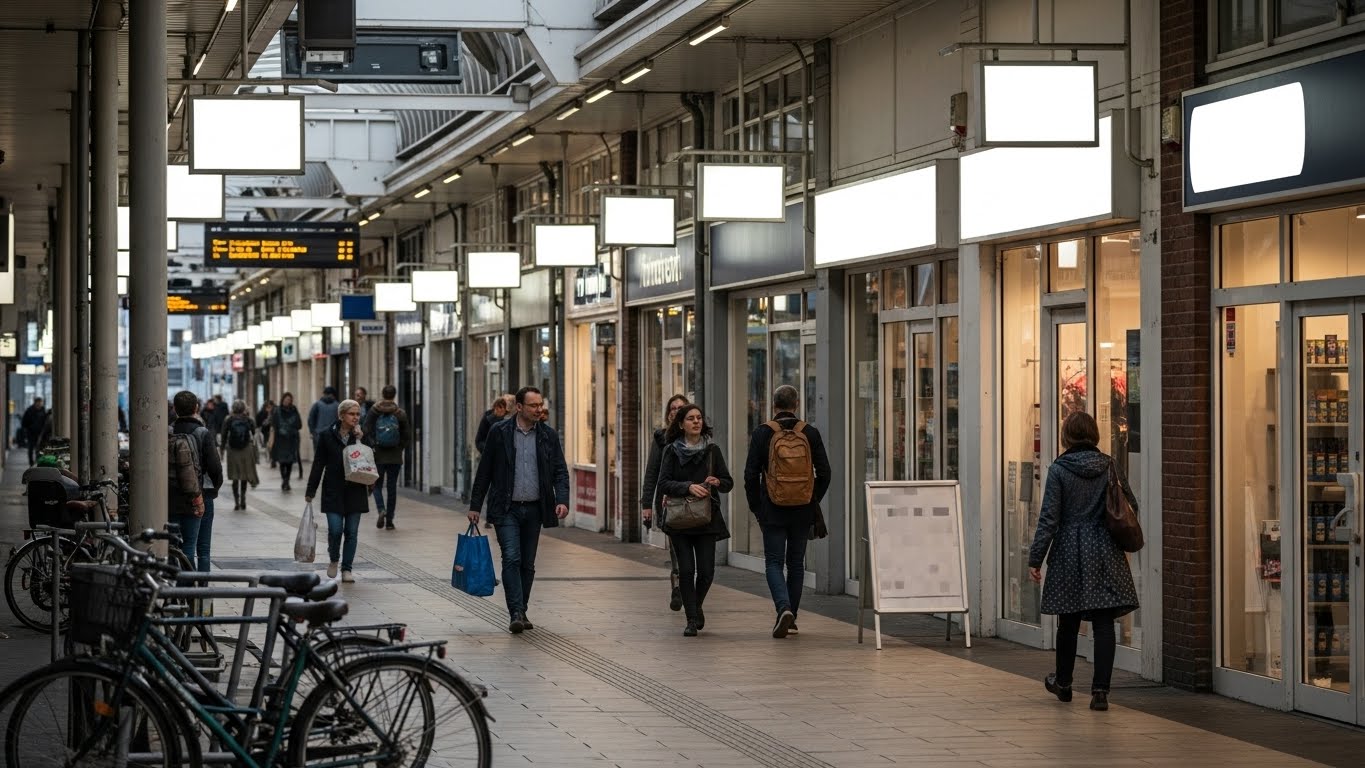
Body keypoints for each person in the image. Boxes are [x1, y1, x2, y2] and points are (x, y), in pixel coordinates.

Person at [1028, 411, 1139, 712]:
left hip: (1067, 551)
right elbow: (1130, 504)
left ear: (1067, 436)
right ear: (1094, 435)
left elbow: (1049, 519)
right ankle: (1100, 692)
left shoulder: (1060, 470)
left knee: (1068, 621)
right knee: (1104, 623)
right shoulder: (1109, 466)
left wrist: (1035, 558)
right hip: (1104, 550)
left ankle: (1063, 683)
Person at [467, 386, 569, 634]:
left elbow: (560, 470)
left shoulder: (548, 435)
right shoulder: (499, 432)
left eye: (541, 404)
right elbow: (485, 471)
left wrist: (562, 499)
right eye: (534, 405)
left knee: (528, 563)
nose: (539, 409)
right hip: (506, 508)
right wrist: (475, 505)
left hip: (535, 508)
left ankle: (521, 608)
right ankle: (515, 611)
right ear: (519, 407)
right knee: (511, 556)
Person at [743, 384, 831, 639]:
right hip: (802, 510)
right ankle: (791, 614)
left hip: (772, 508)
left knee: (773, 561)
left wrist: (757, 508)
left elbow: (750, 475)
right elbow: (825, 473)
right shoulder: (810, 433)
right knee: (795, 563)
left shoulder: (763, 433)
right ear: (797, 404)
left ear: (774, 406)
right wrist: (811, 498)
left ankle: (783, 608)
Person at [655, 404, 733, 637]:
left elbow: (728, 482)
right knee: (687, 571)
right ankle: (691, 620)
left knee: (707, 572)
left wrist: (718, 482)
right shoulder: (671, 451)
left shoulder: (712, 451)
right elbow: (664, 483)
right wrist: (689, 487)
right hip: (680, 519)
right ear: (681, 424)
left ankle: (696, 606)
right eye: (690, 418)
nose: (696, 422)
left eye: (699, 418)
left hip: (706, 519)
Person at [306, 399, 371, 583]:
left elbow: (371, 456)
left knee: (351, 532)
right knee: (335, 530)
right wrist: (311, 490)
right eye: (352, 414)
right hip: (333, 490)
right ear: (341, 415)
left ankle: (347, 569)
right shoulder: (326, 435)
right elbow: (319, 464)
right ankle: (334, 558)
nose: (355, 417)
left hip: (355, 490)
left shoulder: (361, 435)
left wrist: (360, 438)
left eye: (358, 414)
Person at [641, 395, 689, 613]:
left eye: (681, 407)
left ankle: (688, 585)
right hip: (668, 501)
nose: (676, 411)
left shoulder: (699, 438)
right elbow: (651, 473)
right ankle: (678, 587)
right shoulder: (661, 438)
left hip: (694, 501)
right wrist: (647, 505)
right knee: (677, 547)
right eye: (673, 408)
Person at [170, 391, 223, 572]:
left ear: (175, 409)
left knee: (175, 546)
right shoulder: (203, 433)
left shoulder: (169, 432)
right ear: (196, 408)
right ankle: (200, 593)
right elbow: (215, 467)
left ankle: (178, 590)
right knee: (202, 549)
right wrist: (213, 488)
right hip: (200, 495)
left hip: (172, 495)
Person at [363, 385, 411, 530]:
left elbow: (366, 430)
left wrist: (373, 446)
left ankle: (381, 509)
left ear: (382, 394)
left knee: (376, 485)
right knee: (392, 488)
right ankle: (389, 521)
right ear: (394, 395)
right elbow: (407, 435)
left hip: (378, 455)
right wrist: (399, 447)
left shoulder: (374, 411)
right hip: (395, 456)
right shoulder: (400, 413)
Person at [220, 400, 259, 510]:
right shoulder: (248, 419)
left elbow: (223, 435)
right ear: (244, 408)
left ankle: (236, 502)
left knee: (235, 476)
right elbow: (254, 432)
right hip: (245, 449)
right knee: (244, 476)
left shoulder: (229, 419)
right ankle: (243, 500)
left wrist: (222, 449)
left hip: (232, 450)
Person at [270, 393, 303, 491]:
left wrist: (292, 427)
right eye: (286, 399)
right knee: (282, 462)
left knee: (289, 462)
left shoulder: (294, 410)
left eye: (289, 399)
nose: (287, 401)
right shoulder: (277, 411)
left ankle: (287, 481)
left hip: (291, 440)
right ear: (282, 399)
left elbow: (299, 424)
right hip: (280, 440)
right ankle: (284, 479)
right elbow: (274, 425)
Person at [308, 386, 341, 451]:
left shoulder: (317, 404)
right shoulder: (338, 405)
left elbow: (311, 419)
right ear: (333, 395)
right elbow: (341, 421)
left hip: (319, 435)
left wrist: (313, 432)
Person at [21, 397, 45, 466]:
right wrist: (27, 430)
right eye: (38, 403)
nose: (39, 404)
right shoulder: (29, 410)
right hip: (31, 433)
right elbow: (24, 422)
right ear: (35, 402)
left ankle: (38, 462)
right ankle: (31, 463)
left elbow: (44, 421)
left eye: (40, 403)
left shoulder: (43, 410)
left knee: (39, 449)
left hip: (40, 433)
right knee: (31, 449)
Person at [256, 399, 276, 466]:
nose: (268, 408)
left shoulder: (273, 412)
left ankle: (271, 457)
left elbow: (265, 421)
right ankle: (271, 457)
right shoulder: (269, 412)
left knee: (269, 444)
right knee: (269, 444)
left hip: (270, 430)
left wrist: (261, 425)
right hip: (268, 430)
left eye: (269, 407)